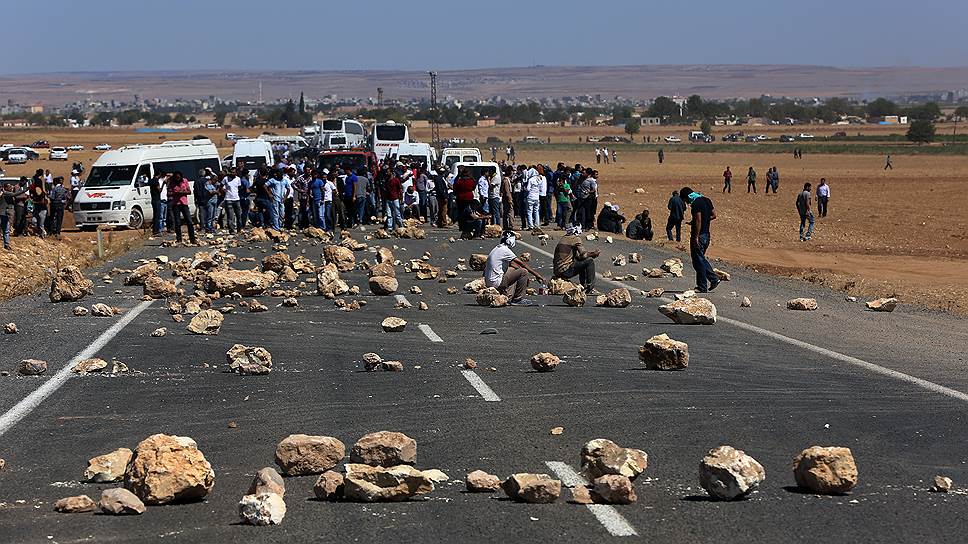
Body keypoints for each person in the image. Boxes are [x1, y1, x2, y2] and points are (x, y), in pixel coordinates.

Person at [483, 231, 544, 306]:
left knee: (513, 269)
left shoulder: (497, 248)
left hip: (489, 282)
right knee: (523, 272)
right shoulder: (505, 250)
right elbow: (522, 264)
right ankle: (517, 299)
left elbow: (513, 264)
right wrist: (537, 275)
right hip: (496, 282)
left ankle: (507, 294)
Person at [680, 186, 719, 293]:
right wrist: (703, 220)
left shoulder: (696, 203)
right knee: (699, 259)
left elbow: (698, 220)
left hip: (699, 235)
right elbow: (714, 215)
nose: (687, 203)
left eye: (685, 200)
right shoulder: (707, 200)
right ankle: (713, 279)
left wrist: (696, 237)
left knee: (699, 260)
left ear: (688, 197)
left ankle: (703, 285)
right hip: (707, 234)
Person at [553, 224, 599, 293]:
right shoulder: (575, 239)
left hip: (557, 271)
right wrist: (593, 254)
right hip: (565, 271)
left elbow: (578, 257)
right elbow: (584, 255)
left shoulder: (564, 238)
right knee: (589, 261)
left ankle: (584, 285)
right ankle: (590, 287)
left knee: (582, 262)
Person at [167, 172, 197, 245]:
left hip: (184, 203)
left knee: (189, 222)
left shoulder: (185, 181)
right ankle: (179, 239)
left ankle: (192, 239)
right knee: (177, 223)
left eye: (179, 177)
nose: (178, 179)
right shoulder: (172, 183)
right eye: (176, 177)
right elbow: (168, 193)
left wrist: (182, 192)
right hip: (176, 204)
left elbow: (189, 191)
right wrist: (175, 193)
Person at [1, 180, 27, 249]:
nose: (11, 188)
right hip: (2, 214)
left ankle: (6, 245)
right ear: (5, 188)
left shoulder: (6, 193)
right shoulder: (6, 193)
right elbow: (14, 194)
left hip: (5, 214)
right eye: (9, 187)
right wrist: (25, 190)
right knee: (5, 229)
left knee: (6, 230)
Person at [222, 168, 243, 234]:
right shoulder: (226, 178)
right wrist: (224, 191)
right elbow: (221, 186)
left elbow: (239, 187)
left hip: (236, 199)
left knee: (239, 215)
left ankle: (239, 229)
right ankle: (232, 230)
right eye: (231, 172)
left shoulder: (238, 179)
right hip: (228, 199)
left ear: (236, 173)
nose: (232, 174)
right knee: (230, 216)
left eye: (234, 172)